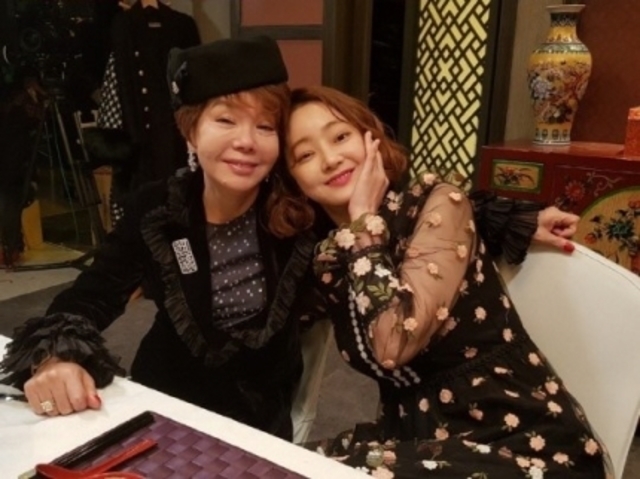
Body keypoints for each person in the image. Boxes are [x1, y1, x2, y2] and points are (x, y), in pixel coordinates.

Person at [0, 35, 578, 442]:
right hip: (164, 406)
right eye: (225, 120)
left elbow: (401, 208)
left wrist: (510, 218)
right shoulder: (158, 210)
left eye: (264, 126)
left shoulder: (297, 211)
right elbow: (93, 292)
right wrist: (57, 356)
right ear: (191, 132)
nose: (246, 141)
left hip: (259, 422)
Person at [269, 85, 611, 477]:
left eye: (340, 136)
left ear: (371, 138)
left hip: (517, 440)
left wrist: (363, 222)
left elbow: (395, 340)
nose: (330, 159)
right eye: (305, 155)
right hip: (417, 438)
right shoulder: (330, 256)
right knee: (282, 466)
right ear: (292, 180)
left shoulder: (437, 203)